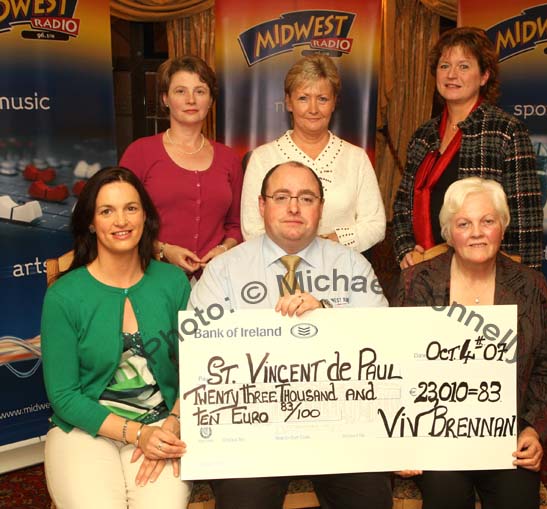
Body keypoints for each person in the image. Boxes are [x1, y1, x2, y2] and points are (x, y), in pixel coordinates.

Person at [189, 161, 393, 509]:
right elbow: (199, 353)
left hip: (339, 427)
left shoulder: (353, 266)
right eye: (281, 197)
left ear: (322, 208)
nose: (294, 208)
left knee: (370, 501)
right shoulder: (223, 271)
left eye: (306, 198)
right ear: (261, 205)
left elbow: (383, 343)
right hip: (252, 430)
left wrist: (328, 317)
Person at [391, 177, 547, 509]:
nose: (476, 232)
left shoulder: (529, 286)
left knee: (517, 501)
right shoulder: (417, 282)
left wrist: (532, 430)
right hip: (436, 431)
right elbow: (394, 364)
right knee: (446, 498)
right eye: (464, 223)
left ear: (502, 226)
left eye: (487, 221)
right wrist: (404, 440)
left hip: (506, 433)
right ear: (449, 232)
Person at [41, 167, 191, 509]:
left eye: (131, 208)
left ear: (145, 216)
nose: (121, 220)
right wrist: (139, 434)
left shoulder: (174, 282)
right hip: (83, 429)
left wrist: (172, 426)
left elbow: (196, 369)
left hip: (163, 425)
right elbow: (64, 395)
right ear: (91, 222)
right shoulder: (64, 295)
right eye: (107, 211)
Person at [392, 27, 543, 270]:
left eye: (463, 66)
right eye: (444, 66)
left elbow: (527, 223)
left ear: (484, 76)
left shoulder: (506, 131)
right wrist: (405, 249)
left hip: (485, 274)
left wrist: (522, 285)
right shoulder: (423, 135)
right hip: (423, 271)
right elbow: (402, 205)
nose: (452, 75)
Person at [241, 54, 386, 253]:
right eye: (303, 98)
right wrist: (298, 252)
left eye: (322, 99)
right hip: (279, 273)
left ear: (334, 102)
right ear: (288, 102)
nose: (313, 109)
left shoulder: (356, 158)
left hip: (341, 270)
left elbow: (375, 224)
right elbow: (252, 229)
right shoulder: (262, 158)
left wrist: (331, 243)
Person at [120, 55, 242, 278]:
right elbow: (122, 222)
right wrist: (164, 250)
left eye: (200, 91)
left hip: (216, 282)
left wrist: (224, 249)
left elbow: (235, 225)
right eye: (180, 91)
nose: (191, 100)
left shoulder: (229, 158)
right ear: (165, 98)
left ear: (211, 100)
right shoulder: (140, 153)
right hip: (151, 277)